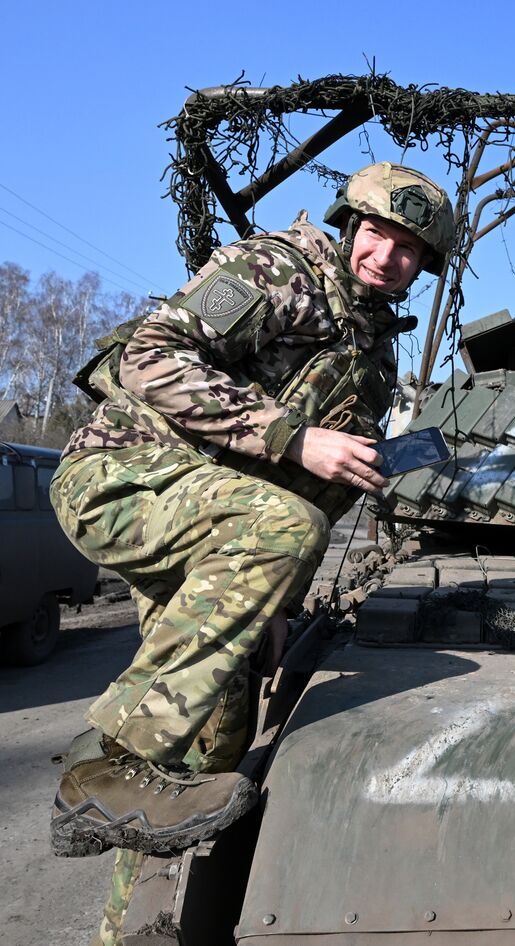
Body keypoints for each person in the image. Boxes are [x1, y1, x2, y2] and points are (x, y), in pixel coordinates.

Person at [46, 162, 453, 942]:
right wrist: (292, 437)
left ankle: (137, 925)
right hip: (125, 476)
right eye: (376, 233)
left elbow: (326, 491)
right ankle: (113, 754)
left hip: (222, 524)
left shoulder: (375, 362)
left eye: (408, 251)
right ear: (348, 227)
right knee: (281, 532)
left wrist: (280, 601)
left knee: (210, 738)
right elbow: (151, 355)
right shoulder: (275, 269)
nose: (385, 258)